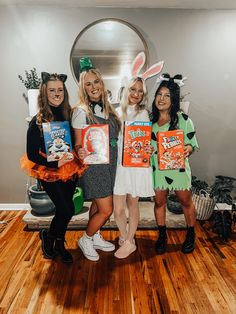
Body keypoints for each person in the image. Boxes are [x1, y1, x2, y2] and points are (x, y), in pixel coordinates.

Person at [21, 72, 85, 263]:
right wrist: (54, 163)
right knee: (66, 209)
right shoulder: (37, 121)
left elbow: (76, 143)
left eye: (60, 90)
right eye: (52, 90)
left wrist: (79, 151)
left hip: (70, 168)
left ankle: (57, 242)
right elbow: (32, 153)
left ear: (64, 92)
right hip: (48, 170)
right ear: (44, 92)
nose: (57, 94)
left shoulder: (71, 115)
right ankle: (49, 238)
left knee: (66, 209)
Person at [72, 57, 121, 261]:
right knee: (106, 209)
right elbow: (77, 144)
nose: (93, 87)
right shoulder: (80, 112)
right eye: (88, 84)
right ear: (83, 88)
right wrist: (79, 151)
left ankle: (95, 237)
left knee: (98, 206)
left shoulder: (109, 109)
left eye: (96, 82)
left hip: (110, 164)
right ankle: (86, 238)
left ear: (102, 84)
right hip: (94, 166)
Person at [151, 73, 199, 254]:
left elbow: (192, 144)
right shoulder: (150, 121)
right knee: (159, 202)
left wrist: (188, 149)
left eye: (167, 96)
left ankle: (191, 233)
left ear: (174, 100)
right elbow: (148, 146)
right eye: (159, 94)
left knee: (185, 201)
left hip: (179, 169)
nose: (162, 99)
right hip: (158, 169)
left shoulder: (183, 120)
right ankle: (162, 235)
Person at [113, 77, 154, 259]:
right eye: (133, 89)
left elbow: (145, 140)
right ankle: (124, 236)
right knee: (118, 208)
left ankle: (130, 240)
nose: (136, 94)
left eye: (140, 91)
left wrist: (149, 148)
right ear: (126, 90)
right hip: (120, 166)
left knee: (133, 203)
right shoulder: (115, 112)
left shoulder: (143, 113)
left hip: (136, 165)